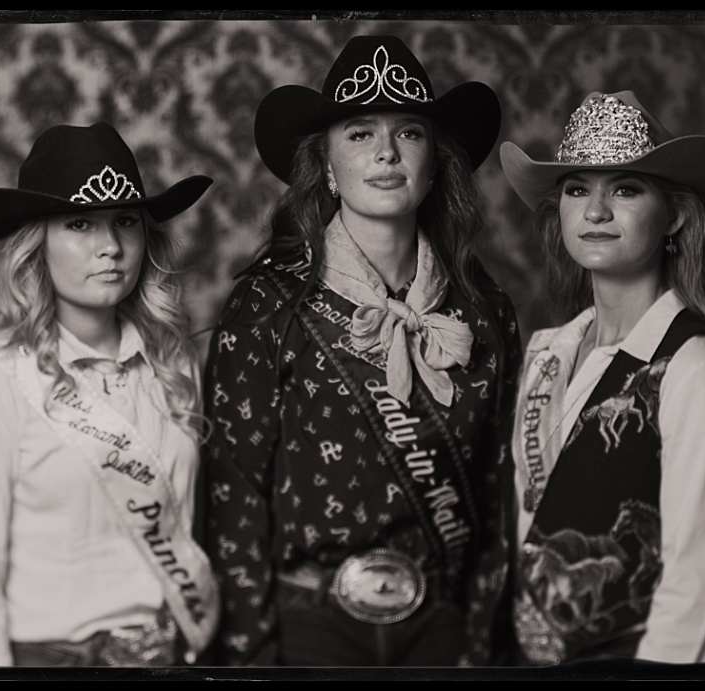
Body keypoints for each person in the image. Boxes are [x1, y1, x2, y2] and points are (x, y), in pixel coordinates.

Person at [203, 35, 522, 666]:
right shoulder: (268, 303)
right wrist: (252, 656)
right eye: (359, 134)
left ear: (435, 164)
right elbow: (233, 495)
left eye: (409, 133)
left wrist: (479, 646)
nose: (385, 152)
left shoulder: (484, 310)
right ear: (326, 167)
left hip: (441, 630)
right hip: (308, 627)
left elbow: (498, 493)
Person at [0, 122, 220, 667]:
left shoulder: (173, 362)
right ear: (36, 242)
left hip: (170, 655)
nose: (110, 247)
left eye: (125, 221)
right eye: (80, 223)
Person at [498, 91, 705, 665]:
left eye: (624, 189)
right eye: (577, 189)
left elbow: (693, 591)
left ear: (674, 215)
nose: (595, 211)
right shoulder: (546, 354)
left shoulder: (695, 366)